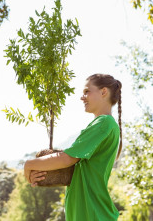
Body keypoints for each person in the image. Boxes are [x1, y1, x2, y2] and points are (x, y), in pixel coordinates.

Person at [24, 73, 122, 221]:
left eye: (87, 91)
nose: (82, 97)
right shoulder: (105, 124)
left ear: (103, 92)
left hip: (94, 214)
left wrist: (30, 164)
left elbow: (68, 158)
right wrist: (42, 173)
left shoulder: (104, 123)